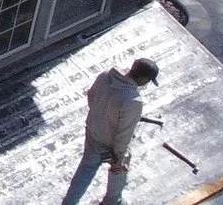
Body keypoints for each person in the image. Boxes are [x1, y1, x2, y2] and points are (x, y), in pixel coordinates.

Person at [63, 58, 158, 205]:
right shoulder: (133, 101)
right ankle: (112, 201)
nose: (147, 84)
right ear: (144, 78)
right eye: (148, 80)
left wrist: (100, 117)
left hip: (92, 131)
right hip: (109, 142)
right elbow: (124, 134)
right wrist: (119, 158)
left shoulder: (107, 75)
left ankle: (69, 203)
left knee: (85, 170)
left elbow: (91, 96)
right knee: (120, 167)